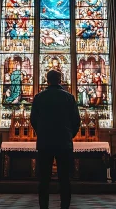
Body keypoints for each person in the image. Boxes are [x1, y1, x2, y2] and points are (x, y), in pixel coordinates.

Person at [31, 70, 81, 209]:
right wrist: (69, 135)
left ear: (47, 80)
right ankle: (64, 207)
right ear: (60, 80)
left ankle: (43, 207)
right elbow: (76, 121)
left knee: (44, 179)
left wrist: (41, 133)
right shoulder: (69, 97)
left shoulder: (39, 97)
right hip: (64, 143)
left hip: (44, 142)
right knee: (64, 179)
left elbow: (33, 120)